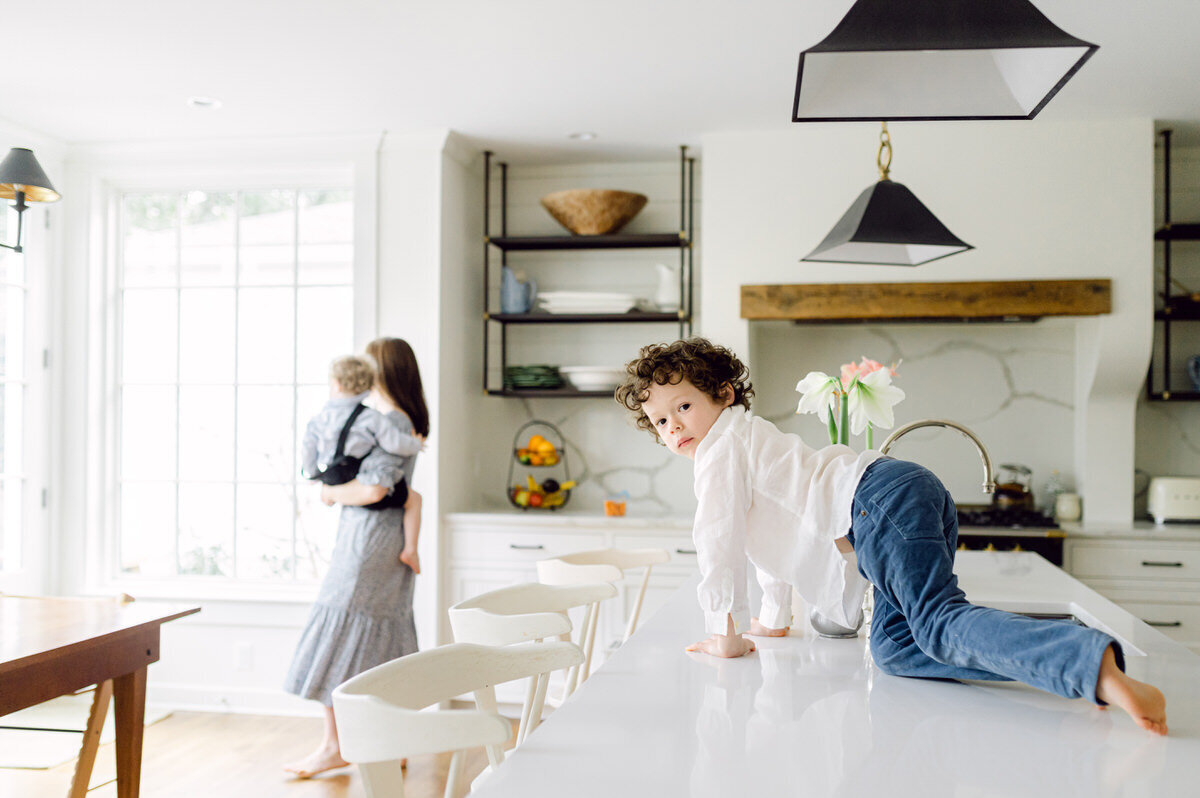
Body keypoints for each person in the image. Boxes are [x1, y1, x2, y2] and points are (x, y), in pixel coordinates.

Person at [614, 337, 1168, 736]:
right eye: (660, 422)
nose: (675, 427)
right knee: (898, 648)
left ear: (725, 394)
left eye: (683, 406)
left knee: (939, 621)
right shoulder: (744, 441)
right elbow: (768, 539)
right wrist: (772, 620)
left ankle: (1089, 665)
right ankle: (1057, 661)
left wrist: (725, 631)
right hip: (898, 493)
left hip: (877, 501)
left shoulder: (720, 450)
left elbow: (719, 541)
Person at [284, 338, 432, 778]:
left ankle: (335, 746)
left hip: (367, 544)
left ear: (381, 372)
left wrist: (328, 491)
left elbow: (373, 490)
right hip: (381, 542)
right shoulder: (402, 423)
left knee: (340, 636)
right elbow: (406, 493)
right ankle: (392, 742)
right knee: (381, 641)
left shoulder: (388, 420)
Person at [301, 354, 424, 569]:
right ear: (368, 386)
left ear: (336, 384)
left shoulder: (320, 417)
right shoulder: (372, 418)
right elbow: (394, 443)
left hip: (332, 476)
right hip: (355, 475)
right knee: (414, 499)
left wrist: (311, 473)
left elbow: (308, 447)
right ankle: (410, 550)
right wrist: (415, 444)